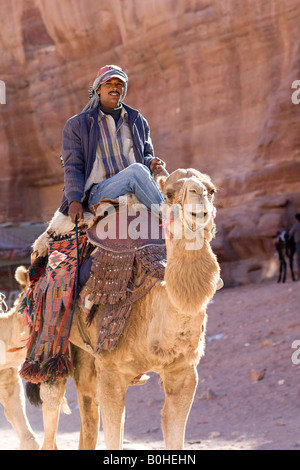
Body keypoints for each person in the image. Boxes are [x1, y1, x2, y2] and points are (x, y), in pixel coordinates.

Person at [59, 65, 165, 223]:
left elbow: (145, 155)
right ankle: (172, 220)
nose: (114, 88)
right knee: (136, 171)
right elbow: (73, 166)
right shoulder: (78, 125)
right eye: (108, 84)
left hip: (134, 187)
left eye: (119, 84)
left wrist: (151, 163)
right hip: (99, 193)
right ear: (98, 89)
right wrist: (74, 200)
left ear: (124, 90)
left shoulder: (137, 120)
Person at [289, 213, 300, 280]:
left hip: (298, 244)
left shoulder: (295, 226)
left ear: (296, 219)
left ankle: (299, 276)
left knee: (299, 260)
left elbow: (290, 234)